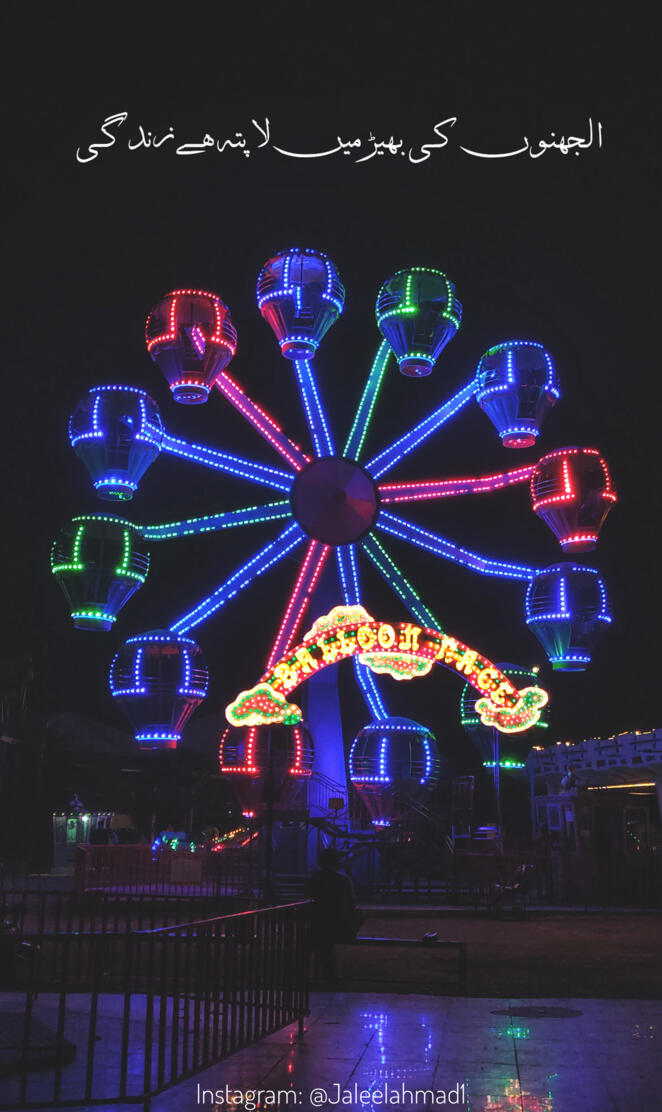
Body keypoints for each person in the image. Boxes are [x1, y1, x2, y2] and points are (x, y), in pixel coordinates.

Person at [309, 848, 362, 984]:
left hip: (319, 926)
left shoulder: (315, 880)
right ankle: (330, 976)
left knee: (321, 941)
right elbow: (352, 904)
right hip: (341, 927)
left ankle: (322, 975)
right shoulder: (343, 880)